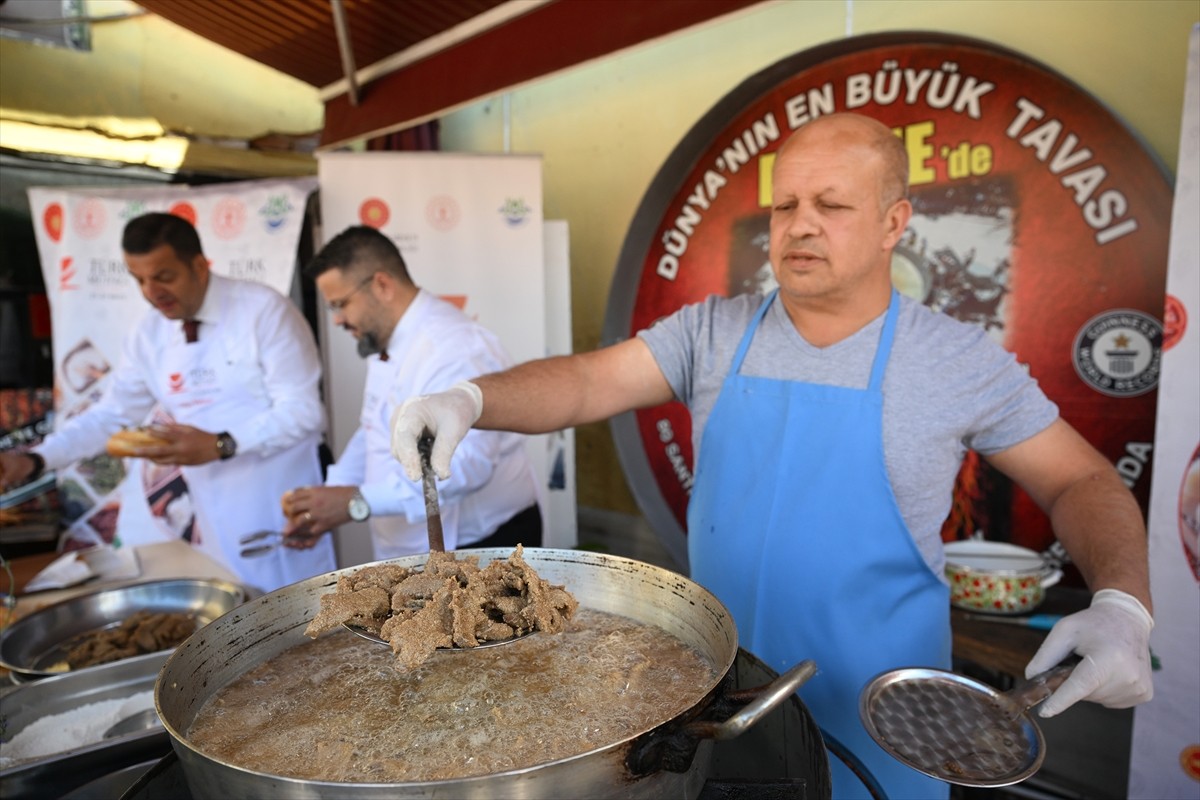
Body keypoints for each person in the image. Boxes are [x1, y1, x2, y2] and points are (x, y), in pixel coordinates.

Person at [389, 114, 1155, 799]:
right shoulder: (713, 332)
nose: (799, 224)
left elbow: (1081, 477)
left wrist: (1122, 601)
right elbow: (589, 380)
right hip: (718, 704)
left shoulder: (954, 361)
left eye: (832, 205)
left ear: (895, 223)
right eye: (785, 205)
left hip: (884, 721)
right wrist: (472, 400)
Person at [0, 212, 335, 593]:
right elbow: (111, 415)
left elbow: (304, 411)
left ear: (198, 265)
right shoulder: (149, 333)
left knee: (304, 621)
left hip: (280, 508)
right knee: (235, 623)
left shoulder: (263, 311)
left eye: (163, 276)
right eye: (139, 279)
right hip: (208, 518)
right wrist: (35, 459)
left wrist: (220, 444)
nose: (150, 291)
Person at [281, 225, 540, 560]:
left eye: (340, 304)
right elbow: (373, 427)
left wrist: (356, 502)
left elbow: (464, 467)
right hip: (418, 546)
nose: (337, 320)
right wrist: (328, 497)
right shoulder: (386, 340)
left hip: (485, 547)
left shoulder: (454, 348)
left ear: (382, 285)